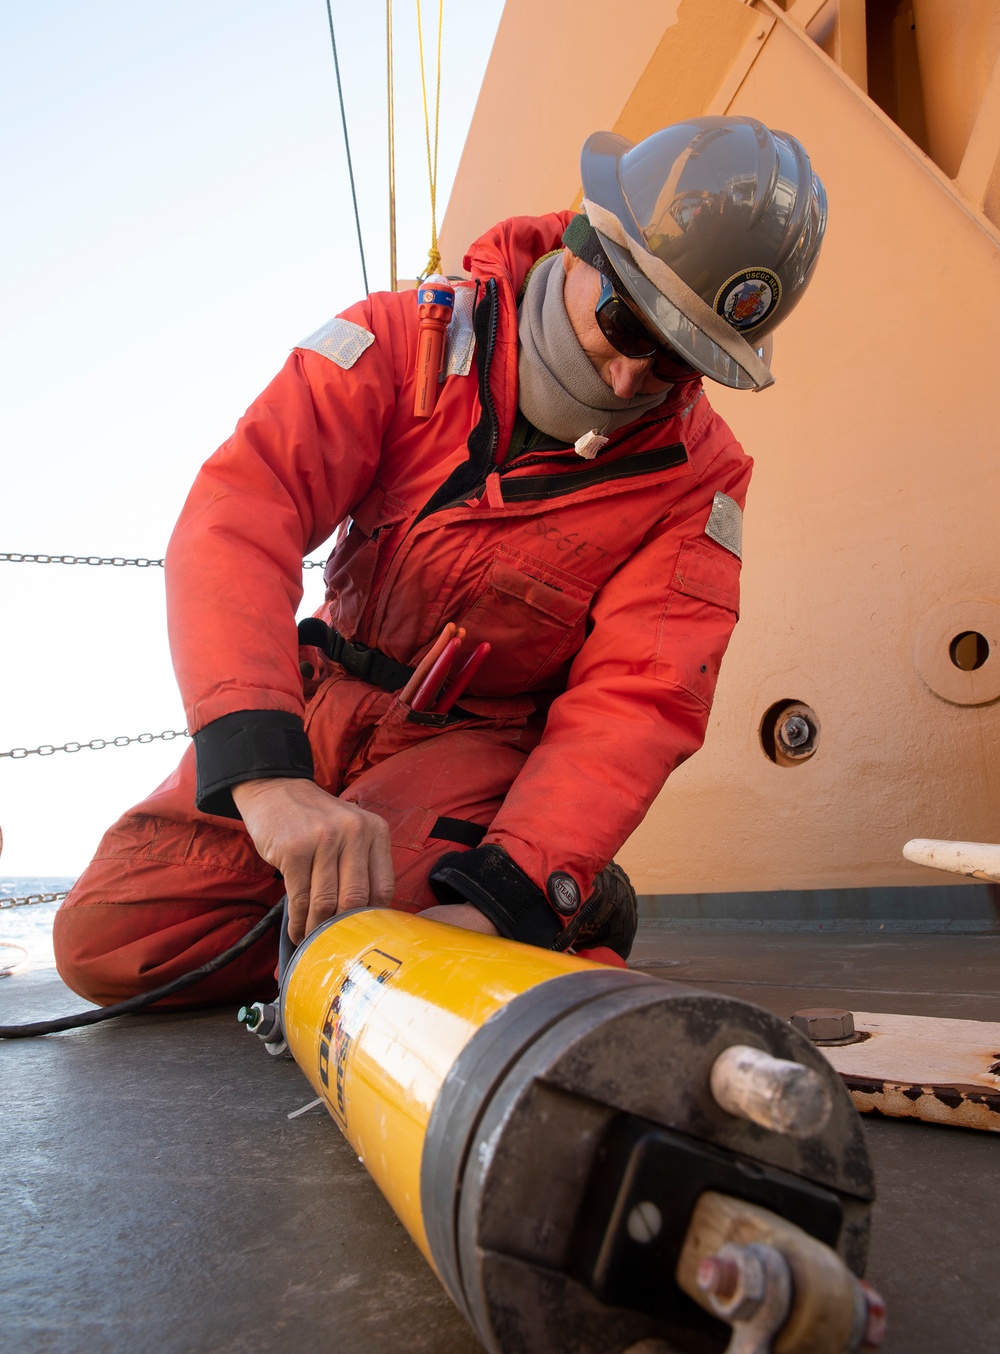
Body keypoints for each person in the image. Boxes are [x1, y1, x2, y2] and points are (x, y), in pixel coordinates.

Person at [53, 116, 827, 1006]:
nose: (628, 379)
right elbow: (243, 518)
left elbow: (638, 700)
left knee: (390, 949)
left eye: (677, 361)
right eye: (627, 322)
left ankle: (560, 903)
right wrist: (268, 779)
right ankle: (508, 921)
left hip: (477, 745)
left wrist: (509, 898)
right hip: (320, 704)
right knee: (112, 947)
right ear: (583, 244)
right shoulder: (395, 339)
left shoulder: (703, 483)